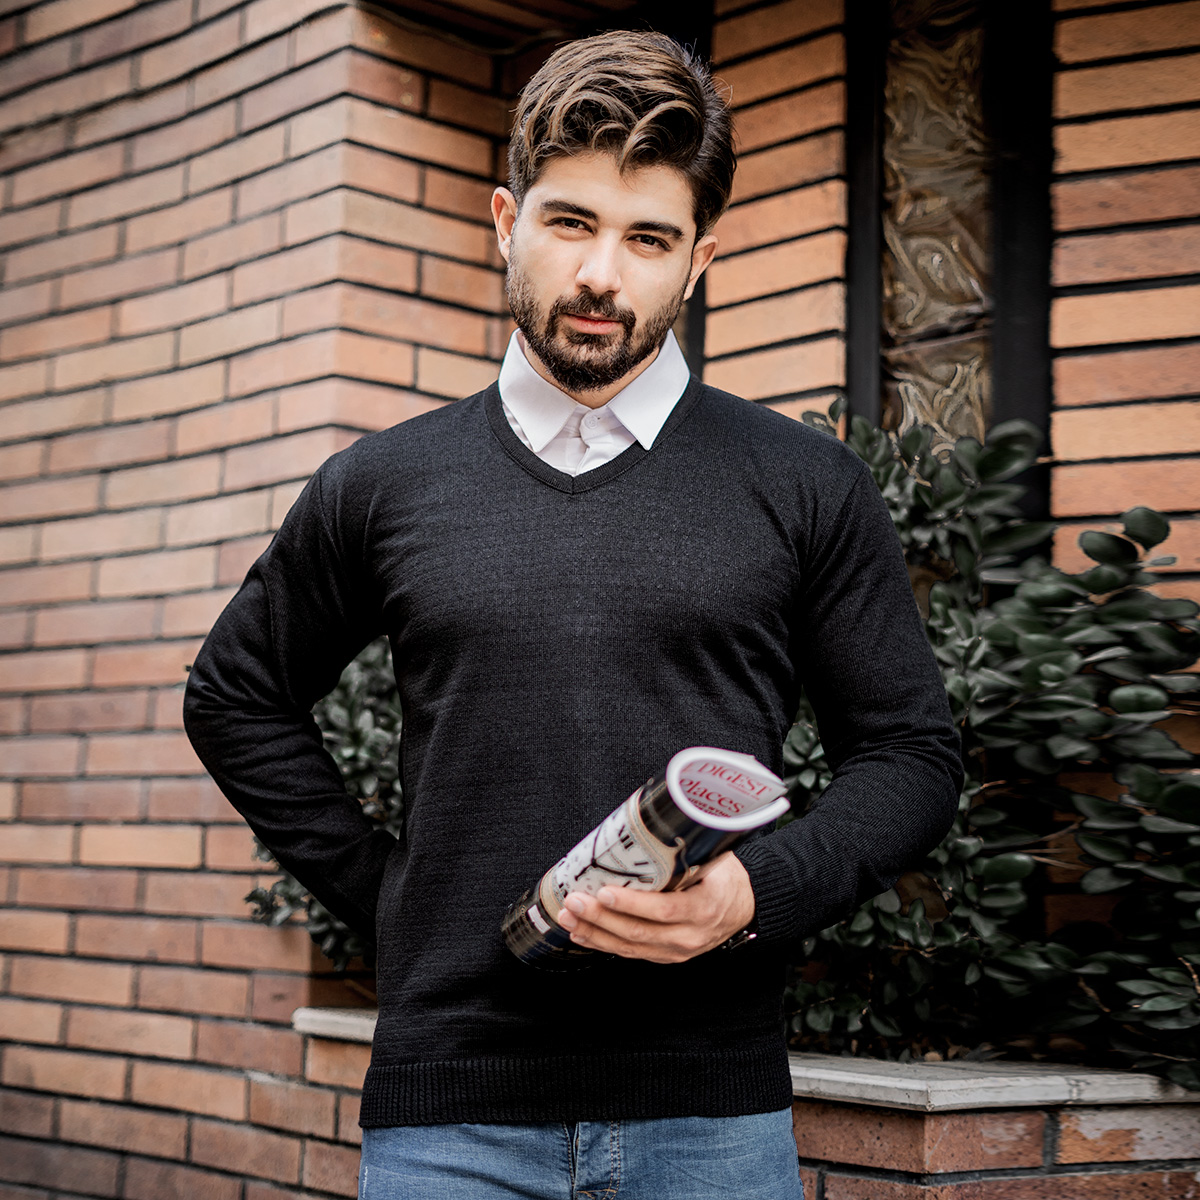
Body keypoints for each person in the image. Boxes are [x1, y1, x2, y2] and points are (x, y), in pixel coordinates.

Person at [183, 28, 963, 1200]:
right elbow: (235, 695)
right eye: (570, 222)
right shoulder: (381, 484)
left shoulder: (806, 483)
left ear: (698, 261)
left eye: (648, 238)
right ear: (507, 221)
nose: (603, 273)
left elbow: (911, 754)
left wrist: (757, 892)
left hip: (709, 1114)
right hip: (451, 1116)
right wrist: (395, 892)